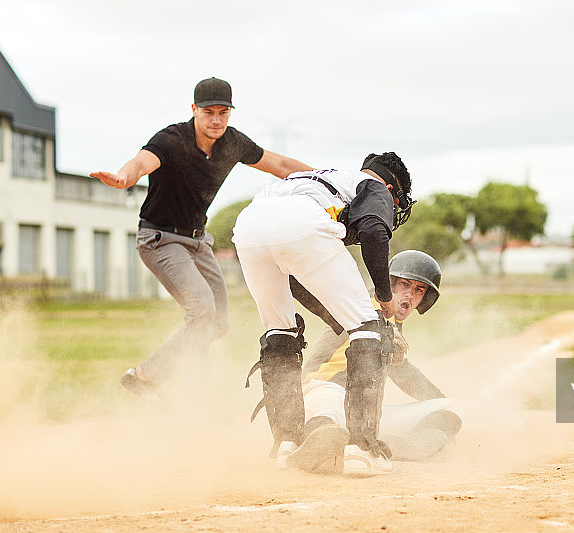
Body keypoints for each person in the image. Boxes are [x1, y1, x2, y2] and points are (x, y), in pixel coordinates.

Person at [90, 77, 312, 401]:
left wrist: (325, 179)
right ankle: (194, 397)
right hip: (160, 238)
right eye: (209, 112)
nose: (217, 120)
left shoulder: (232, 143)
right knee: (202, 310)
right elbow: (142, 162)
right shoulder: (172, 140)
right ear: (194, 110)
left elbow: (278, 164)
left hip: (198, 241)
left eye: (224, 112)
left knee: (217, 323)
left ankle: (145, 377)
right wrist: (125, 177)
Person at [232, 152, 414, 475]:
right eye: (396, 203)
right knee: (369, 328)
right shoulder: (373, 187)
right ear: (390, 188)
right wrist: (384, 298)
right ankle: (363, 448)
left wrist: (338, 321)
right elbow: (373, 231)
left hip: (248, 227)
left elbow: (297, 279)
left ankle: (286, 443)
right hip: (301, 223)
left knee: (280, 332)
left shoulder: (324, 180)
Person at [288, 250, 463, 476]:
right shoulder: (364, 305)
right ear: (388, 283)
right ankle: (313, 441)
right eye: (404, 284)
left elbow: (406, 375)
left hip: (364, 415)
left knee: (449, 408)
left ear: (424, 298)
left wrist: (439, 408)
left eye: (419, 290)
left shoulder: (392, 319)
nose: (409, 294)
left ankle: (395, 447)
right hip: (324, 389)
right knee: (331, 416)